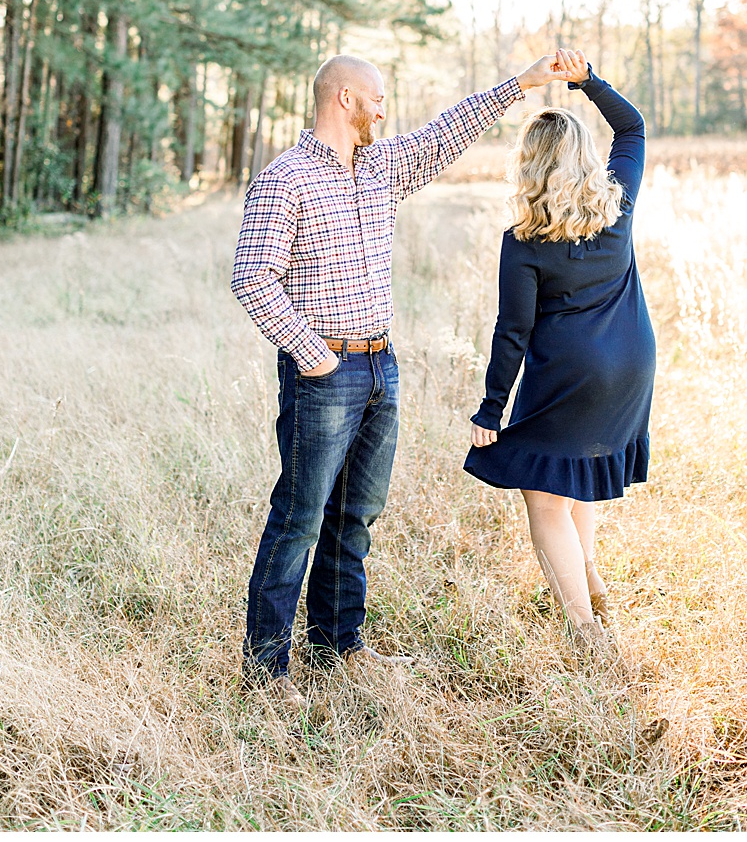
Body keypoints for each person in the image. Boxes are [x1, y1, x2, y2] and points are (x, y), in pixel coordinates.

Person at [231, 48, 577, 708]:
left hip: (382, 366)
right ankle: (265, 673)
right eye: (378, 97)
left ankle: (338, 645)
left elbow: (448, 131)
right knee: (300, 518)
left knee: (355, 516)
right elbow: (252, 278)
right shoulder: (285, 180)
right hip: (323, 371)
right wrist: (315, 356)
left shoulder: (383, 166)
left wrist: (523, 84)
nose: (386, 109)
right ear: (344, 100)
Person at [462, 48, 655, 654]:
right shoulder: (616, 204)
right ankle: (593, 585)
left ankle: (585, 631)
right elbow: (633, 126)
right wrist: (589, 81)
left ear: (530, 165)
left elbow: (512, 331)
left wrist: (492, 410)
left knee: (544, 496)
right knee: (571, 473)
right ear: (584, 159)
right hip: (631, 364)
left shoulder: (524, 240)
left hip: (569, 372)